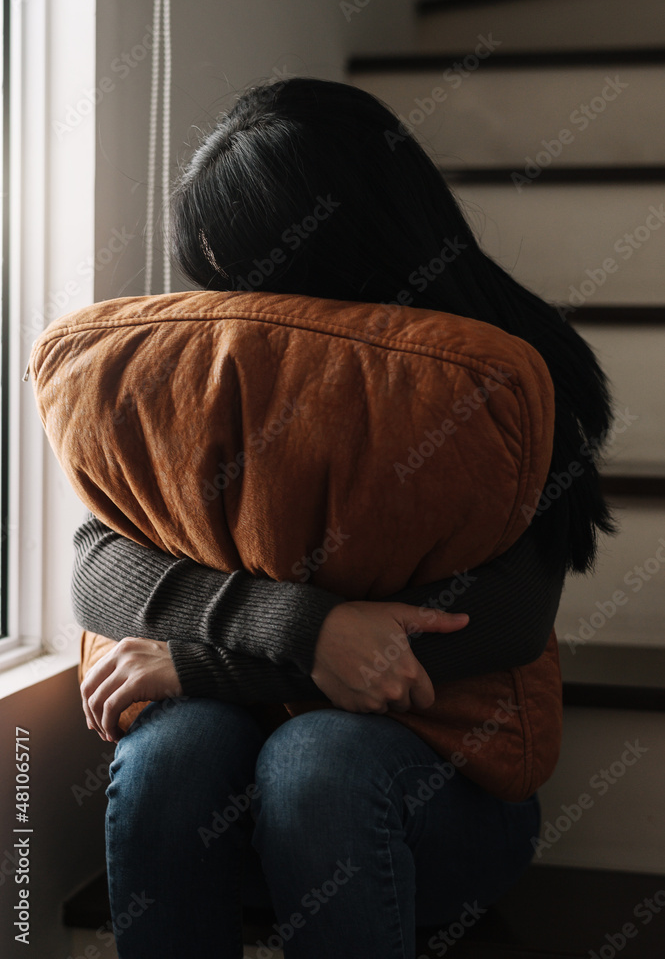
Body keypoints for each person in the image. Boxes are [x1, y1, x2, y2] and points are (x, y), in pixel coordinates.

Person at [74, 76, 614, 959]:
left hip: (421, 817)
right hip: (227, 820)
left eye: (258, 284)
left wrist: (212, 661)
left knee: (318, 761)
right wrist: (306, 629)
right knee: (175, 754)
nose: (242, 322)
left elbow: (507, 616)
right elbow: (98, 562)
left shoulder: (507, 373)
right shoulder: (213, 373)